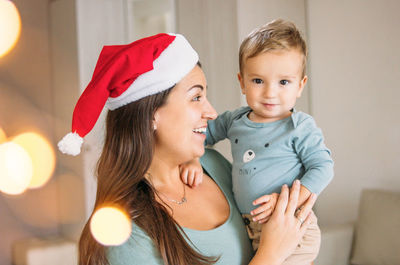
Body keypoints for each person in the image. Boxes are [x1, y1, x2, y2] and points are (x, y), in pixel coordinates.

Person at [58, 33, 317, 265]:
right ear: (150, 115)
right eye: (196, 97)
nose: (212, 112)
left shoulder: (215, 166)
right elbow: (272, 250)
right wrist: (270, 256)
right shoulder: (124, 236)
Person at [180, 19, 334, 264]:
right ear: (242, 82)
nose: (270, 92)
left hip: (290, 224)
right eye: (258, 81)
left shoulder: (299, 127)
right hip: (250, 228)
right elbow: (201, 136)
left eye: (283, 82)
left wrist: (287, 199)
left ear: (300, 85)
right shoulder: (234, 121)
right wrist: (190, 157)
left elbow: (323, 167)